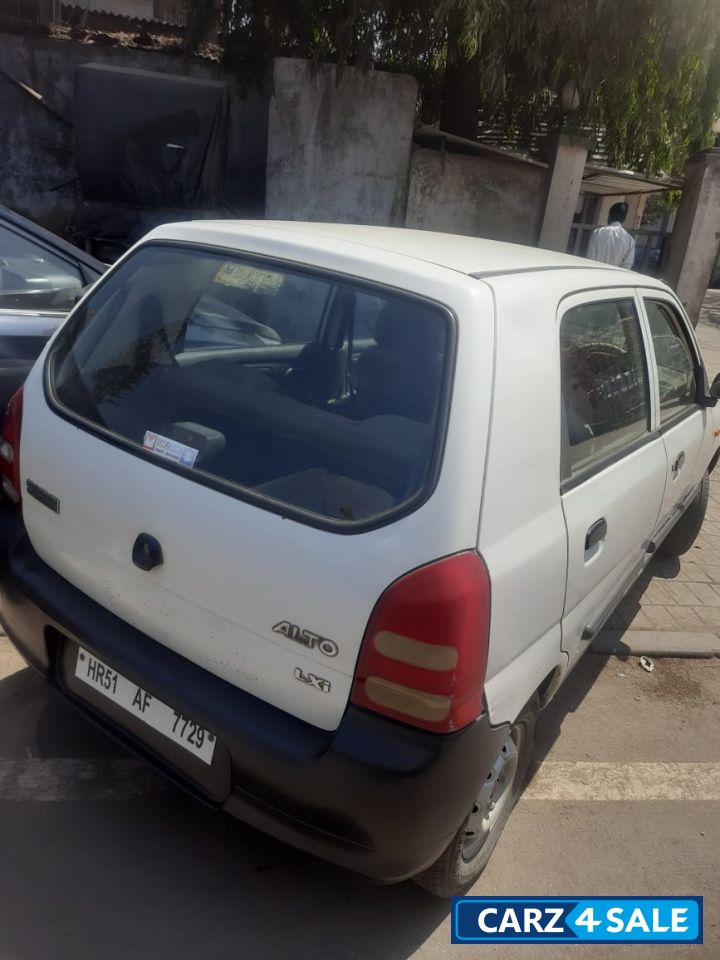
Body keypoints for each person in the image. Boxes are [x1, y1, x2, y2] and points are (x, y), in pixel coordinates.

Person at [587, 201, 636, 269]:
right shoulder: (630, 240)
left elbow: (590, 258)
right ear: (624, 219)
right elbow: (627, 266)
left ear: (609, 216)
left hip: (596, 276)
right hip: (614, 278)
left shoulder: (598, 233)